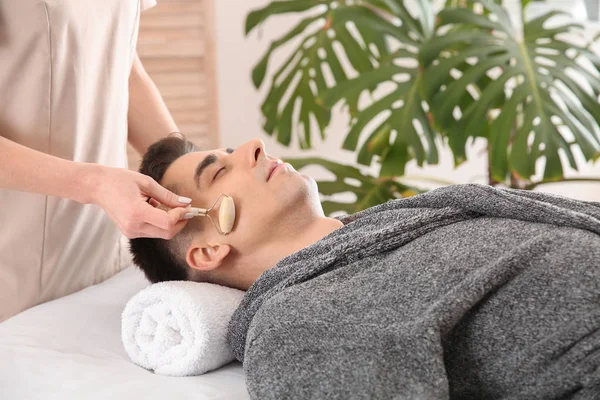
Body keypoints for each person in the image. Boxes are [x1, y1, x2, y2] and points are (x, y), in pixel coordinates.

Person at [131, 135, 600, 400]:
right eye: (219, 172)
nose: (253, 147)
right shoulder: (294, 325)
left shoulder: (398, 220)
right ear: (208, 251)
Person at [0, 0, 194, 322]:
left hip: (105, 248)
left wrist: (191, 170)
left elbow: (125, 70)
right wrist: (94, 184)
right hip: (14, 259)